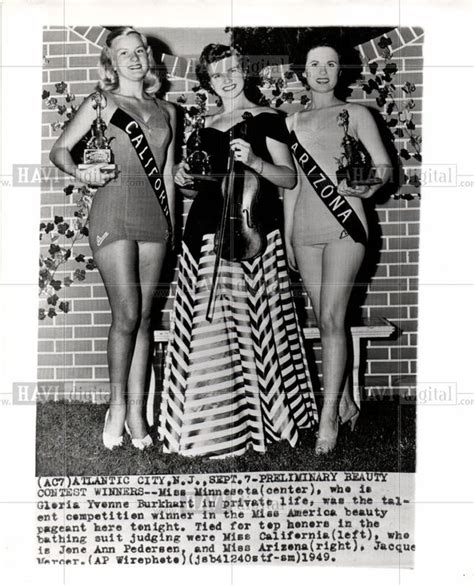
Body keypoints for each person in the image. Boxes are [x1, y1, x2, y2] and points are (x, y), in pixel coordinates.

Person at [158, 43, 317, 458]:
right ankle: (211, 424)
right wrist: (183, 179)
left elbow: (288, 179)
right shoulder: (204, 125)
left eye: (232, 68)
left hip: (253, 235)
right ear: (207, 81)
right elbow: (201, 188)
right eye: (217, 73)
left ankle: (261, 416)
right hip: (206, 237)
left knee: (255, 328)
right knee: (212, 329)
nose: (226, 77)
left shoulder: (269, 120)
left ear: (242, 71)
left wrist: (256, 161)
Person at [50, 27, 176, 450]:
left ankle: (138, 411)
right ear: (112, 62)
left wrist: (171, 226)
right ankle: (117, 405)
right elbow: (60, 151)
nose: (135, 58)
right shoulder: (100, 102)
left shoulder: (168, 111)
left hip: (154, 218)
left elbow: (169, 177)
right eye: (125, 53)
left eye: (141, 51)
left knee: (144, 317)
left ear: (149, 58)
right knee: (125, 315)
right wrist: (80, 172)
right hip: (113, 211)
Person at [284, 37, 391, 455]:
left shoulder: (358, 113)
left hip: (347, 224)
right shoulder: (292, 122)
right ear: (303, 71)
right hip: (306, 231)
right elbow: (292, 186)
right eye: (315, 64)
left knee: (331, 317)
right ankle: (345, 403)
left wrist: (369, 184)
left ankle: (326, 417)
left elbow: (384, 166)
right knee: (325, 319)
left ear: (340, 71)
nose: (323, 71)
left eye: (331, 63)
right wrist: (292, 235)